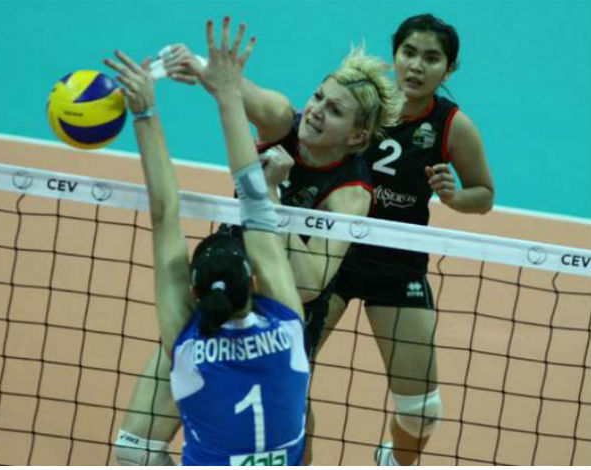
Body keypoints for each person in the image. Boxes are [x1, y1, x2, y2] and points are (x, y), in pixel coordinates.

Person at [114, 22, 405, 466]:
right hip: (224, 285)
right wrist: (197, 63)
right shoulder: (282, 116)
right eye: (319, 96)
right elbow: (232, 89)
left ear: (357, 136)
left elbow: (307, 284)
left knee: (288, 437)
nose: (316, 111)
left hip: (281, 312)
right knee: (133, 450)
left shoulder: (351, 193)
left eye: (335, 111)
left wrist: (274, 196)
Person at [105, 19, 310, 466]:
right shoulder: (287, 326)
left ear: (194, 294)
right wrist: (229, 94)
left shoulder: (187, 344)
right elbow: (249, 199)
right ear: (254, 281)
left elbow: (165, 213)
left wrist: (144, 111)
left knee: (133, 452)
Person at [315, 14, 495, 466]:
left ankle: (392, 460)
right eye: (409, 53)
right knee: (281, 373)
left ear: (449, 69)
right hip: (333, 256)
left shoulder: (452, 125)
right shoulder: (362, 104)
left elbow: (484, 194)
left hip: (398, 266)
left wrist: (454, 197)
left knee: (422, 413)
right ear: (394, 54)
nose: (416, 66)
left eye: (431, 58)